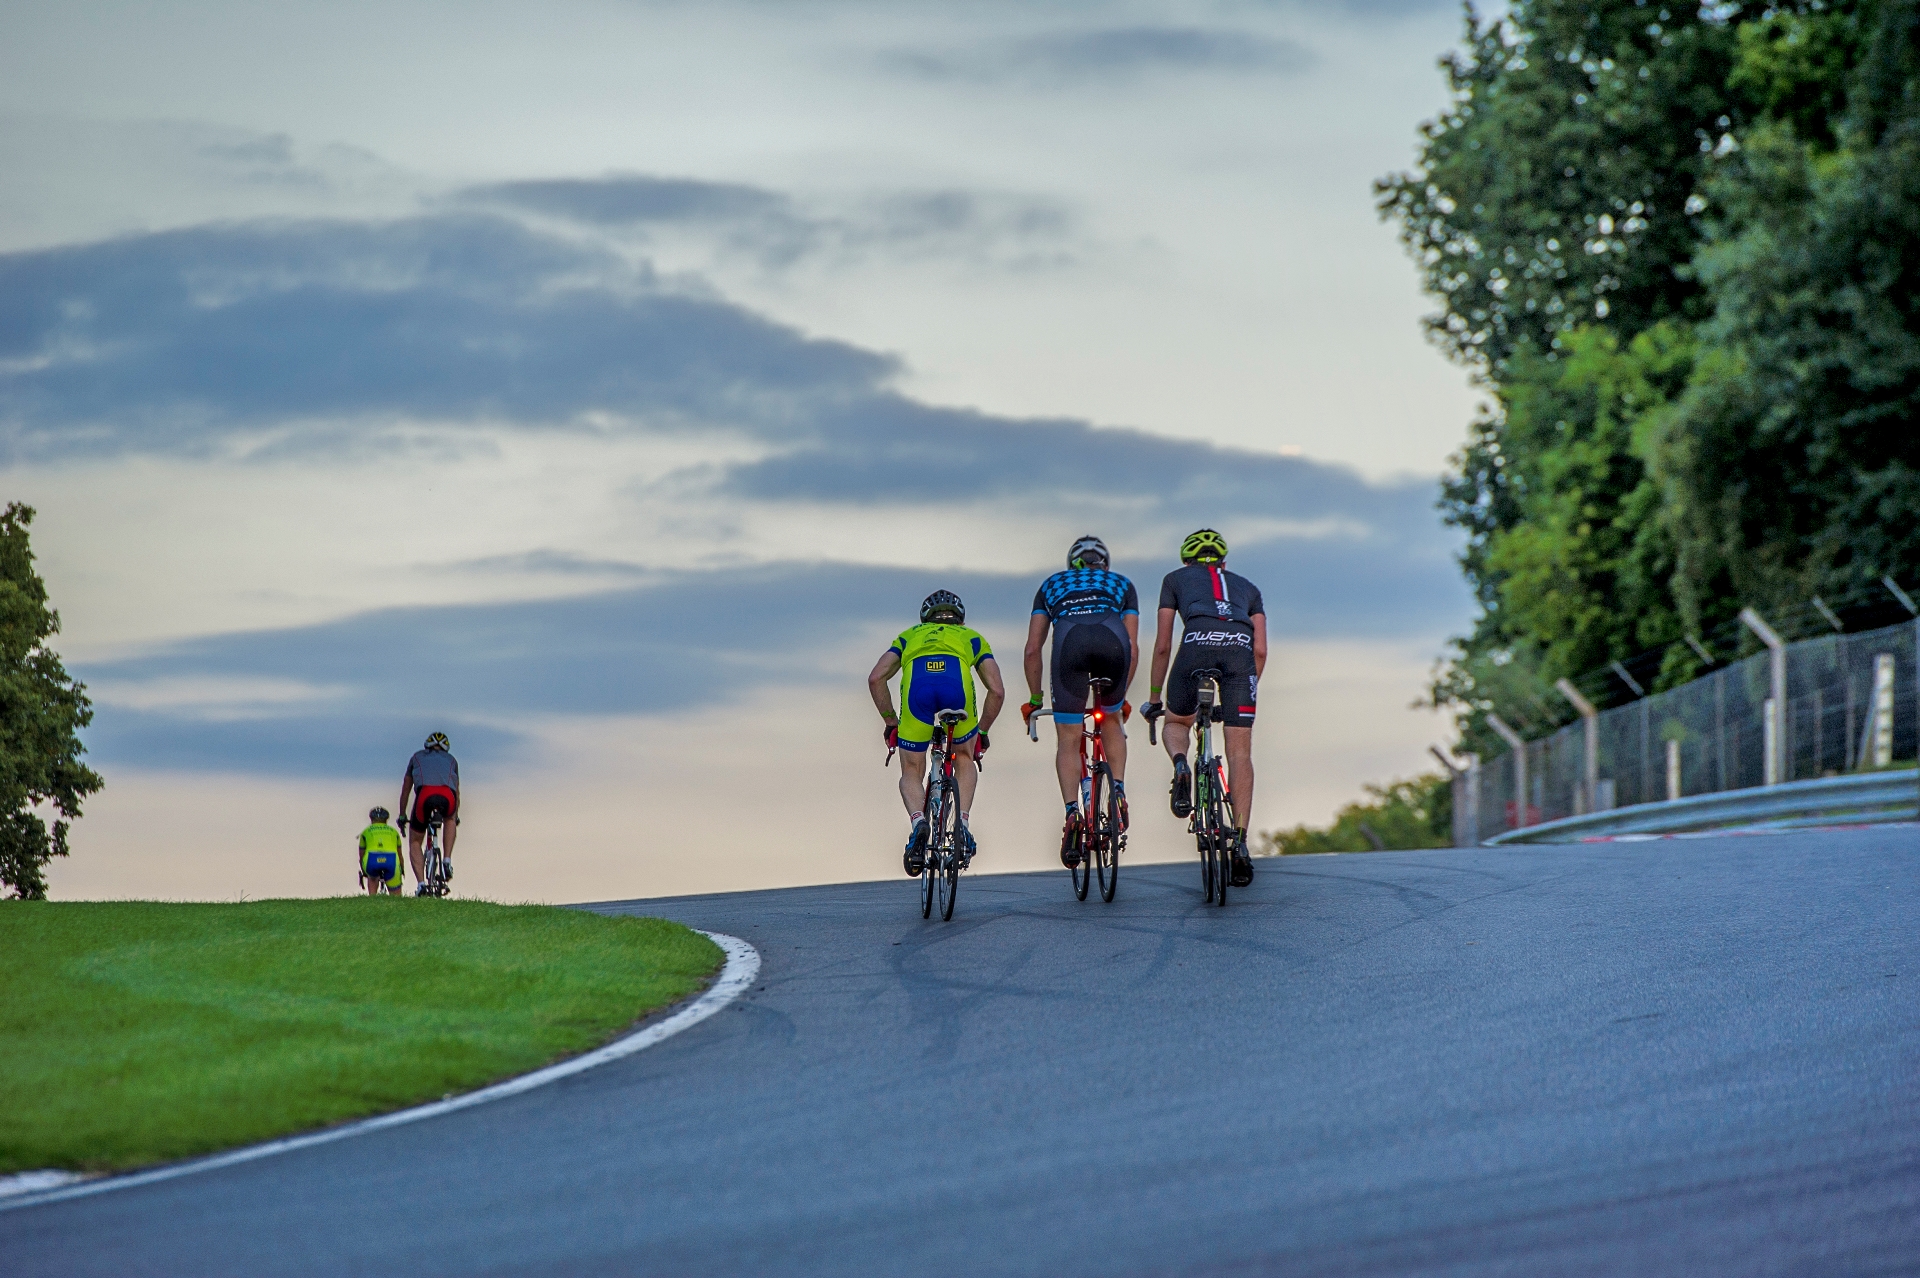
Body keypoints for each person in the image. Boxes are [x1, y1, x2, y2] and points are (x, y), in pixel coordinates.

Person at [1140, 529, 1267, 887]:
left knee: (1178, 722)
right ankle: (1240, 843)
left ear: (1187, 561)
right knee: (1240, 753)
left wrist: (1154, 698)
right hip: (1240, 654)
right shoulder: (1249, 588)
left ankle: (1182, 765)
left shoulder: (1174, 579)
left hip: (1195, 644)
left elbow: (1163, 645)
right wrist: (1243, 690)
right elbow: (1260, 650)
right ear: (1223, 562)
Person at [867, 590, 1006, 876]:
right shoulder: (971, 637)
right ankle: (962, 824)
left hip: (917, 690)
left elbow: (876, 677)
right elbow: (997, 690)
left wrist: (891, 722)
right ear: (960, 618)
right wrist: (982, 730)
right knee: (964, 758)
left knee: (912, 769)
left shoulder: (909, 636)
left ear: (924, 618)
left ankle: (919, 822)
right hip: (956, 688)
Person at [1021, 535, 1138, 866]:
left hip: (1069, 646)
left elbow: (1032, 649)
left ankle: (1073, 811)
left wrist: (1034, 698)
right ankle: (1117, 791)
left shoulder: (1052, 584)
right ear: (1105, 563)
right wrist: (1121, 697)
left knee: (1069, 739)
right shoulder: (1121, 583)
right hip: (1113, 645)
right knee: (1111, 718)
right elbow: (1133, 646)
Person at [398, 732, 460, 896]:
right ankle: (446, 860)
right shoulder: (452, 760)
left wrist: (402, 815)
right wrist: (456, 815)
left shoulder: (416, 757)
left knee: (415, 841)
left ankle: (421, 885)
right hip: (447, 796)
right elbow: (456, 791)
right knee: (450, 819)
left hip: (425, 795)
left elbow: (406, 788)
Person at [357, 806, 402, 896]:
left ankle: (372, 898)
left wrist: (364, 871)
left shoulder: (365, 832)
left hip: (371, 859)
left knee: (372, 877)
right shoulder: (394, 832)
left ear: (371, 819)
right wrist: (402, 869)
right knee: (397, 897)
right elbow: (400, 854)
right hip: (391, 859)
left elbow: (361, 855)